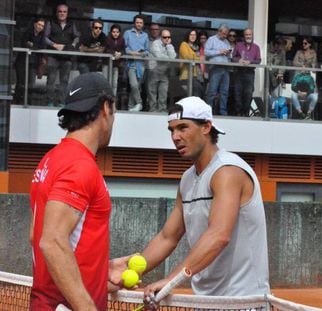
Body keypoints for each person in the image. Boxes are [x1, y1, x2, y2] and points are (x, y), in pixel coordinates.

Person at [109, 96, 270, 299]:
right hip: (205, 299)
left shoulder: (228, 171)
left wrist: (172, 279)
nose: (175, 137)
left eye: (183, 127)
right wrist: (133, 267)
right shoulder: (187, 179)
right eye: (172, 130)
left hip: (243, 301)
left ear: (206, 127)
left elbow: (218, 235)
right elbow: (167, 237)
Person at [29, 72, 117, 310]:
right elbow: (52, 241)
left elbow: (35, 236)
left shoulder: (50, 160)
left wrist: (102, 270)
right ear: (106, 108)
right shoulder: (80, 166)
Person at [44, 3, 80, 106]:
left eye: (64, 12)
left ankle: (61, 102)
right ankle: (49, 102)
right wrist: (54, 45)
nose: (62, 14)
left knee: (64, 81)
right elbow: (45, 38)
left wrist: (72, 44)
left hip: (66, 56)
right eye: (60, 11)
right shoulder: (51, 23)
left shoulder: (71, 24)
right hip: (53, 55)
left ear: (67, 13)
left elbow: (77, 36)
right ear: (56, 13)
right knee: (51, 79)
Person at [14, 17, 46, 104]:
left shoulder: (42, 36)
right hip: (22, 62)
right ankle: (17, 100)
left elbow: (41, 47)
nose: (40, 27)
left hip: (33, 63)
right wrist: (33, 45)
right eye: (39, 24)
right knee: (20, 82)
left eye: (42, 26)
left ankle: (28, 101)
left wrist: (33, 45)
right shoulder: (28, 32)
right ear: (35, 24)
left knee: (31, 84)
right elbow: (25, 43)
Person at [232, 28, 262, 116]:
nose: (248, 36)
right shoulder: (238, 45)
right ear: (244, 36)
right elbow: (233, 57)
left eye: (250, 35)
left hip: (250, 73)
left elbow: (259, 60)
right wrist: (239, 60)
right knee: (238, 93)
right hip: (239, 72)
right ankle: (238, 113)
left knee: (248, 94)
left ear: (252, 36)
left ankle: (245, 113)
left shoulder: (256, 47)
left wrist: (250, 62)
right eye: (246, 35)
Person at [147, 29, 177, 112]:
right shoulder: (155, 43)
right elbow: (159, 56)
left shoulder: (170, 45)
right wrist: (169, 58)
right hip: (154, 71)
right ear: (161, 37)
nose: (167, 39)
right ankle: (152, 110)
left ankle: (162, 110)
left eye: (168, 37)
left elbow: (173, 57)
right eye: (164, 37)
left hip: (165, 72)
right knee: (152, 92)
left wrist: (168, 46)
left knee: (163, 93)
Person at [124, 14, 149, 112]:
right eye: (137, 22)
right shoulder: (128, 33)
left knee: (136, 88)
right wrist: (132, 53)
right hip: (131, 63)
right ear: (134, 23)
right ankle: (140, 103)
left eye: (141, 23)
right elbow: (124, 48)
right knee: (133, 85)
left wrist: (141, 53)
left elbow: (147, 51)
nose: (139, 24)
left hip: (141, 65)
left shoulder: (145, 35)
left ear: (143, 24)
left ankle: (130, 107)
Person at [205, 24, 232, 115]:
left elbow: (230, 55)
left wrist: (228, 53)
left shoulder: (226, 42)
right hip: (215, 68)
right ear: (219, 31)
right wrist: (219, 52)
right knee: (212, 91)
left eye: (226, 34)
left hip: (225, 68)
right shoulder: (211, 40)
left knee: (224, 92)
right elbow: (206, 52)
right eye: (224, 34)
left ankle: (223, 111)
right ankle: (209, 111)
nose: (225, 36)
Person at [178, 29, 204, 98]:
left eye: (194, 35)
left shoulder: (197, 47)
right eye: (191, 35)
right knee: (189, 97)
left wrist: (196, 58)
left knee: (197, 96)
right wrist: (199, 58)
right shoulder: (184, 44)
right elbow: (188, 57)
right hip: (186, 75)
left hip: (196, 76)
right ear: (188, 36)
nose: (193, 36)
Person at [104, 24, 126, 104]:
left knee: (114, 83)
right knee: (106, 81)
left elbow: (124, 50)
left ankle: (112, 100)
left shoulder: (122, 40)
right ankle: (105, 100)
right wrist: (114, 53)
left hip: (116, 64)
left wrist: (120, 53)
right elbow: (106, 49)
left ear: (120, 32)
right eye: (114, 32)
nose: (115, 33)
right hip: (107, 64)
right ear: (111, 32)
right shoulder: (107, 38)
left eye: (117, 32)